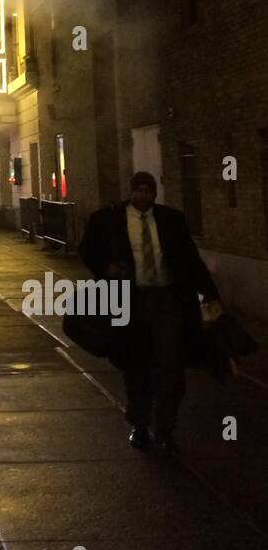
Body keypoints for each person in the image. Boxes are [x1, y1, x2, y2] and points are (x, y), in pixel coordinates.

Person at [79, 171, 221, 455]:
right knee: (136, 365)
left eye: (150, 191)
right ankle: (141, 424)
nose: (145, 196)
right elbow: (87, 249)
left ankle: (166, 427)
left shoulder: (170, 220)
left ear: (155, 193)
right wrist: (106, 268)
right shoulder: (110, 219)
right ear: (131, 192)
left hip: (167, 299)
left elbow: (189, 259)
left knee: (171, 366)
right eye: (140, 191)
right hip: (131, 299)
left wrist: (209, 294)